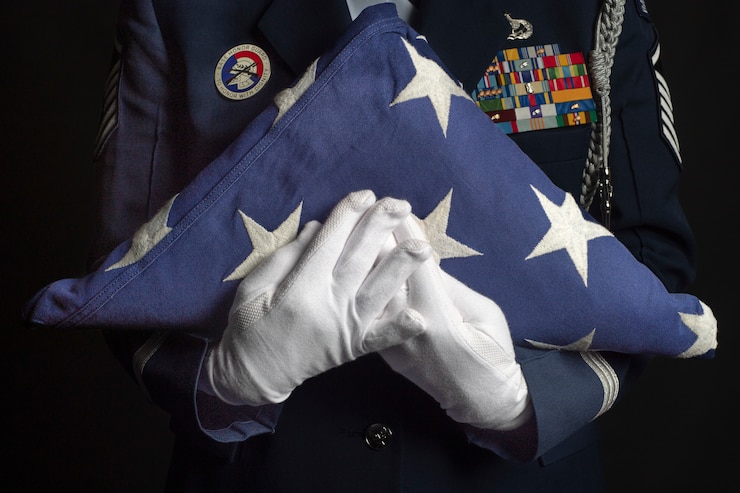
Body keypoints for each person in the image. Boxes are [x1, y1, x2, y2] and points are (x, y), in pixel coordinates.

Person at [88, 0, 697, 491]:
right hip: (270, 472)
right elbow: (121, 275)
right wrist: (230, 382)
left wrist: (518, 398)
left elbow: (653, 265)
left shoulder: (592, 10)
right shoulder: (181, 12)